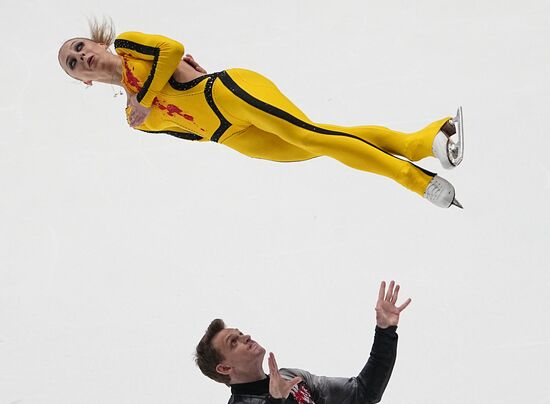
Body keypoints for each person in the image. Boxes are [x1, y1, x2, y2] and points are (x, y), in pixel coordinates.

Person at [58, 20, 464, 208]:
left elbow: (173, 49)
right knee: (323, 140)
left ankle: (414, 179)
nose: (81, 57)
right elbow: (188, 132)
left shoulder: (130, 45)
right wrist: (148, 106)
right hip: (229, 135)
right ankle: (423, 140)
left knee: (310, 135)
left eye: (79, 47)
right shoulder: (135, 120)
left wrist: (147, 93)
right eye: (73, 64)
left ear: (95, 41)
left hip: (229, 94)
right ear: (84, 82)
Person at [195, 280, 411, 403]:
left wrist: (385, 331)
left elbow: (363, 392)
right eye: (234, 342)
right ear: (224, 367)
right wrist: (277, 400)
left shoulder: (291, 378)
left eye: (240, 333)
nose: (246, 337)